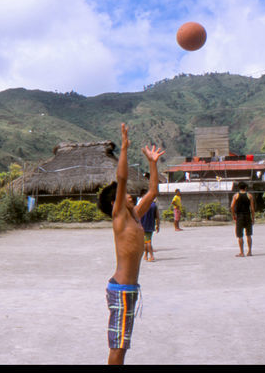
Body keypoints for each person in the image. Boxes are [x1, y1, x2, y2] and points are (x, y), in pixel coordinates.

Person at [96, 123, 163, 365]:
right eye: (124, 194)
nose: (130, 194)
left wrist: (152, 163)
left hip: (129, 290)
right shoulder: (120, 217)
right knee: (119, 347)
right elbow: (121, 177)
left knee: (123, 345)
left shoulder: (134, 214)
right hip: (122, 291)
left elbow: (153, 191)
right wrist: (123, 147)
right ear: (115, 201)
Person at [231, 182, 255, 257]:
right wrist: (253, 218)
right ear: (246, 188)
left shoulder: (236, 195)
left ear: (239, 188)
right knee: (248, 235)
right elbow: (252, 208)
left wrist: (234, 215)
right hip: (247, 216)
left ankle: (241, 252)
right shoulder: (249, 195)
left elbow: (232, 206)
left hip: (239, 217)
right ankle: (249, 251)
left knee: (240, 235)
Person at [137, 187, 159, 262]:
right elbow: (157, 217)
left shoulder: (141, 204)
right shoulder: (154, 205)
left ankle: (151, 256)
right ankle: (146, 255)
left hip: (143, 225)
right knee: (147, 241)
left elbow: (137, 215)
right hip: (150, 225)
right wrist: (158, 225)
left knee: (147, 242)